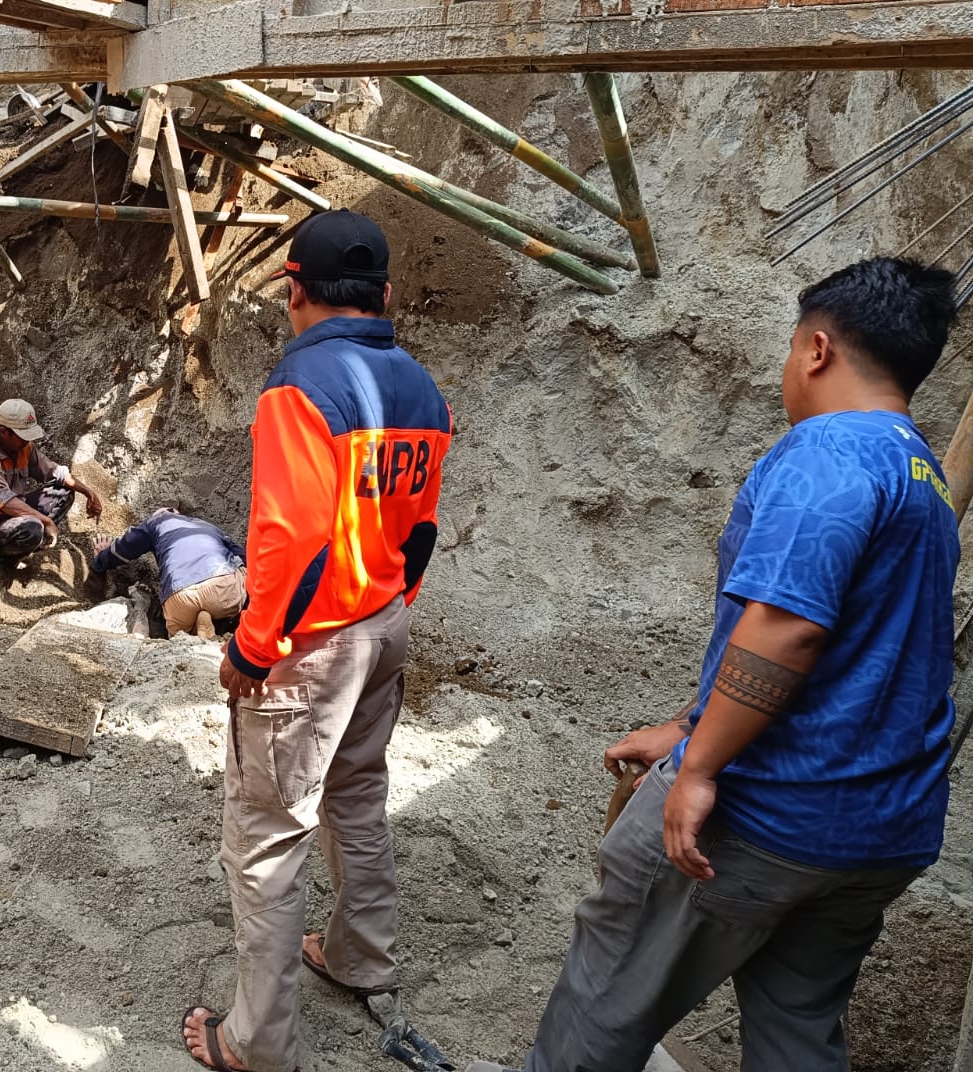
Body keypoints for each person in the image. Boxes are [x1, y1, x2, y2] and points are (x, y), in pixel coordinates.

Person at [466, 258, 958, 1072]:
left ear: (818, 349)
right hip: (882, 832)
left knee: (604, 1002)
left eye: (792, 346)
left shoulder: (826, 453)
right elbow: (864, 652)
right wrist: (690, 724)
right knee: (798, 1029)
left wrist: (698, 766)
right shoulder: (924, 476)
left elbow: (788, 632)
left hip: (767, 813)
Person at [182, 210, 453, 1072]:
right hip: (384, 623)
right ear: (384, 294)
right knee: (357, 793)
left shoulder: (300, 385)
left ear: (295, 290)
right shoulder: (422, 388)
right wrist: (389, 607)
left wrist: (255, 648)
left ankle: (257, 1044)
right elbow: (420, 530)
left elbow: (290, 541)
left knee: (268, 836)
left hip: (315, 639)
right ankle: (361, 955)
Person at [0, 398, 104, 557]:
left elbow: (56, 472)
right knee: (33, 527)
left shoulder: (24, 447)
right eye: (22, 436)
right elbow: (3, 500)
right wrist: (46, 521)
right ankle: (5, 559)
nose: (27, 441)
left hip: (12, 516)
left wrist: (89, 493)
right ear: (4, 432)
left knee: (63, 492)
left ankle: (28, 544)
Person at [92, 508, 246, 636]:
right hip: (222, 588)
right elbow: (246, 557)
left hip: (179, 597)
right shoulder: (209, 527)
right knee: (242, 571)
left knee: (180, 638)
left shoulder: (158, 521)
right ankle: (226, 629)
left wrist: (101, 559)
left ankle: (195, 632)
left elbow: (125, 546)